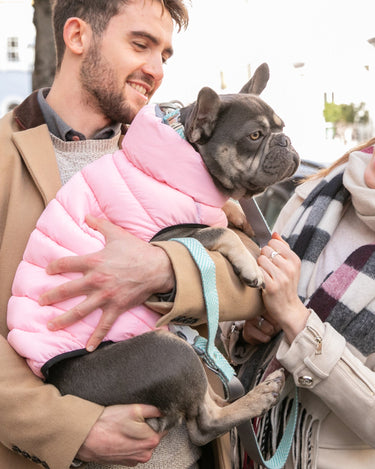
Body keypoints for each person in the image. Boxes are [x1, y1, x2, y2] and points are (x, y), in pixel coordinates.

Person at [0, 1, 263, 468]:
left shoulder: (177, 159)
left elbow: (256, 274)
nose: (156, 69)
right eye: (140, 45)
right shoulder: (4, 158)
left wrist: (166, 268)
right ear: (78, 36)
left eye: (165, 54)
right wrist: (71, 429)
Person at [222, 137, 375, 468]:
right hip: (241, 446)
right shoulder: (321, 190)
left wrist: (297, 321)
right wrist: (248, 326)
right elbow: (242, 301)